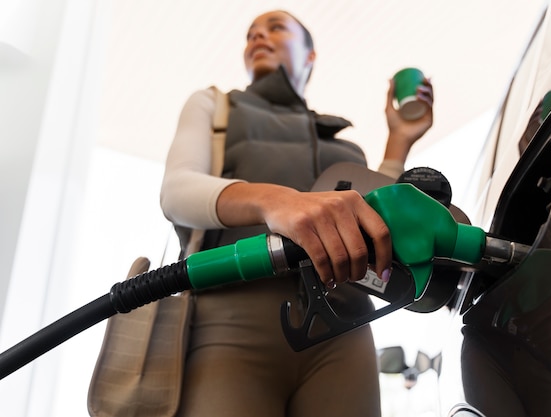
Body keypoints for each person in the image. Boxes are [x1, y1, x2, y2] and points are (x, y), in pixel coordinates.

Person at [160, 10, 434, 416]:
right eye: (251, 33)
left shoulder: (345, 147)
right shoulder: (216, 106)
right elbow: (177, 190)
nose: (257, 37)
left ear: (310, 55)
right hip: (231, 317)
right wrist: (277, 202)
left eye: (275, 28)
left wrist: (399, 140)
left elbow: (377, 215)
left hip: (346, 323)